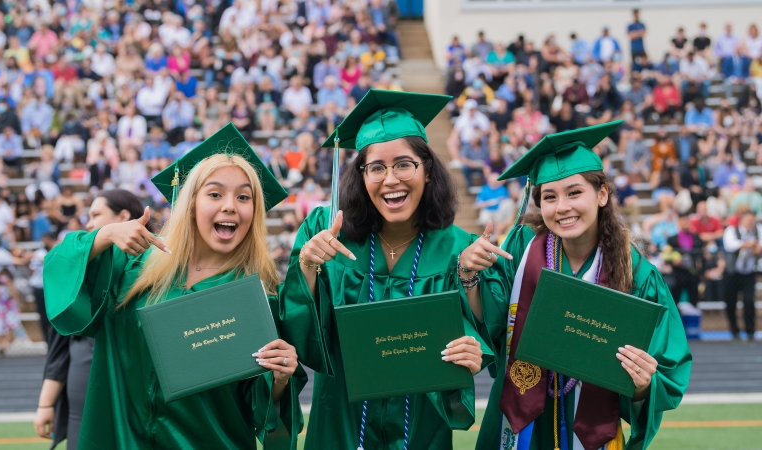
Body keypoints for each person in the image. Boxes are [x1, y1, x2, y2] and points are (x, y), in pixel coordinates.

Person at [42, 124, 304, 449]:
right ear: (189, 203)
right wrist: (104, 235)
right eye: (215, 193)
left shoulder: (254, 300)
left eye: (244, 197)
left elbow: (261, 413)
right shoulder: (133, 271)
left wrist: (279, 378)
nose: (230, 206)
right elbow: (59, 274)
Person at [280, 91, 499, 449]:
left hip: (421, 426)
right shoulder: (324, 231)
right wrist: (307, 264)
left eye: (403, 164)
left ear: (427, 171)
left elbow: (483, 335)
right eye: (376, 168)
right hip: (340, 420)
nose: (390, 179)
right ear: (361, 176)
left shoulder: (459, 248)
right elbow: (298, 332)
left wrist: (471, 351)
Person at [475, 121, 691, 450]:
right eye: (550, 197)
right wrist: (468, 274)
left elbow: (665, 367)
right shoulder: (520, 248)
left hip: (591, 429)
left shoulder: (635, 273)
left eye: (575, 192)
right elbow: (488, 321)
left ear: (602, 194)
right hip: (520, 427)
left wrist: (644, 384)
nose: (562, 207)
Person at [35, 190, 144, 450]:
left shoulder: (150, 265)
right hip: (80, 404)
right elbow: (62, 345)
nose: (89, 223)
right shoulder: (83, 271)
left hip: (133, 395)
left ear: (124, 216)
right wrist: (46, 403)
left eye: (96, 215)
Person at [722, 210, 761, 340]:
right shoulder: (731, 231)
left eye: (752, 220)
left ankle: (750, 330)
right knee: (731, 301)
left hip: (749, 272)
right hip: (732, 273)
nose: (751, 223)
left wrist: (758, 247)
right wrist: (748, 244)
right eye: (748, 220)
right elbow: (730, 246)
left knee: (749, 301)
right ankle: (734, 330)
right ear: (742, 220)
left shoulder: (758, 230)